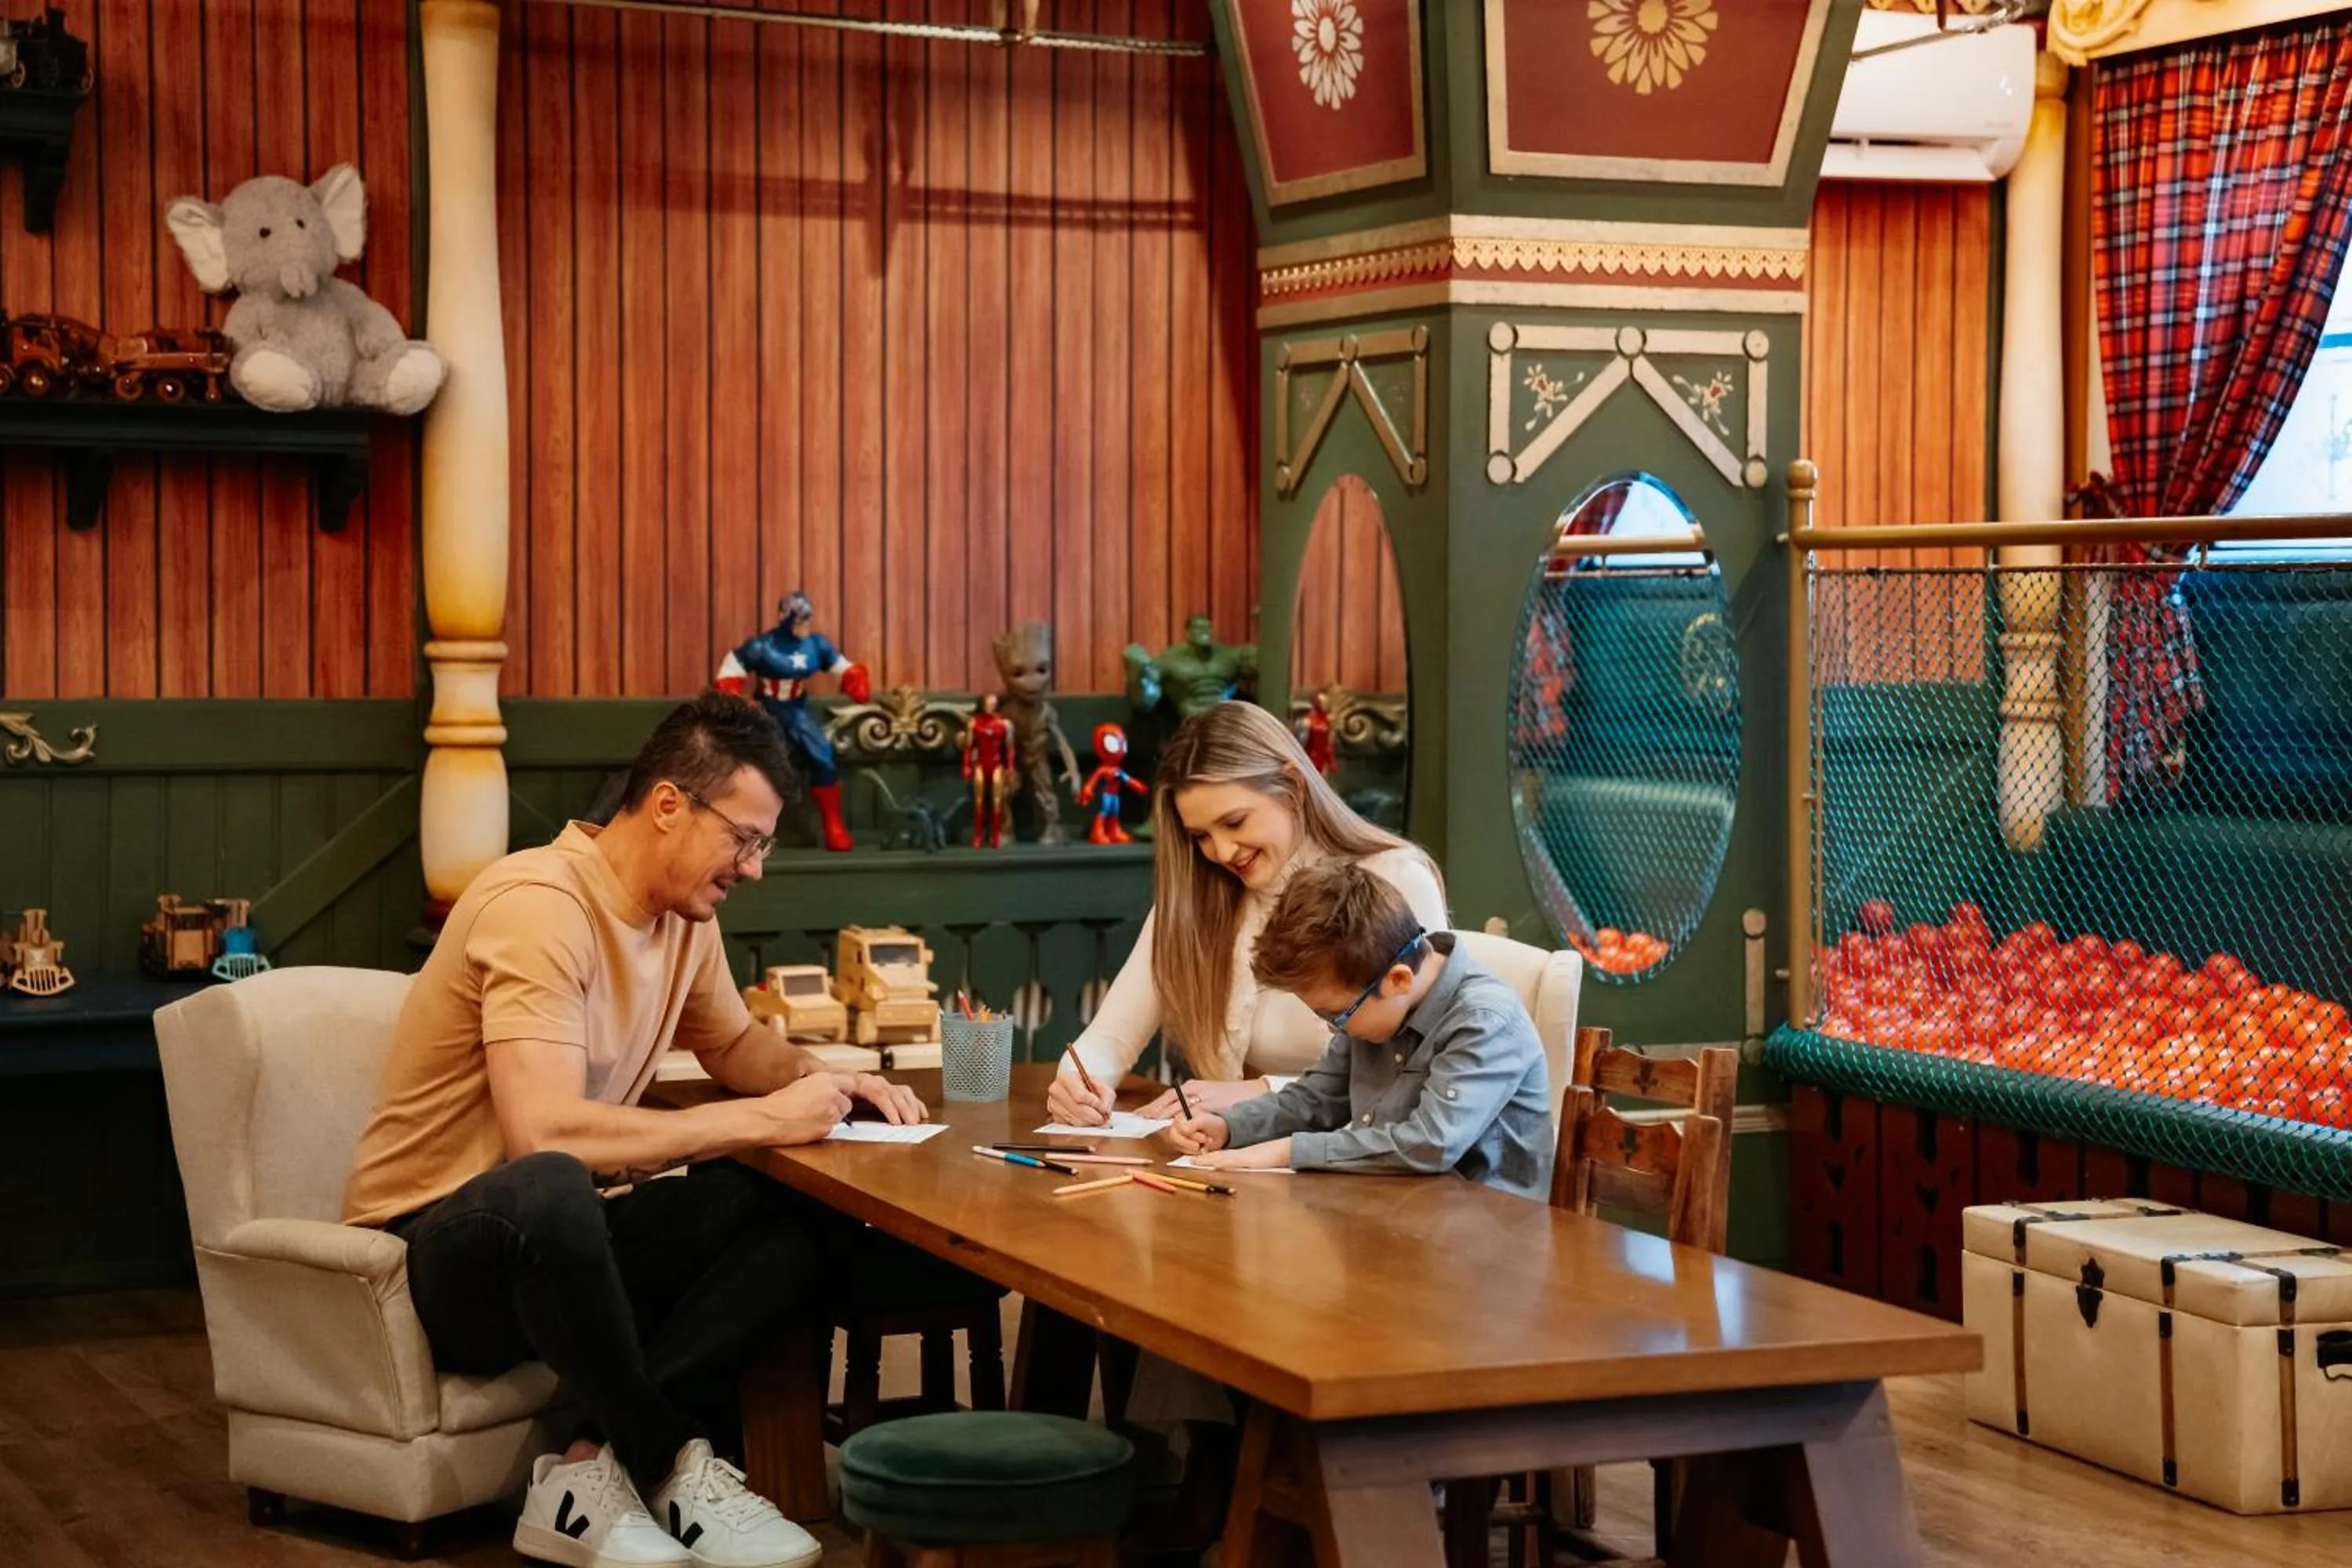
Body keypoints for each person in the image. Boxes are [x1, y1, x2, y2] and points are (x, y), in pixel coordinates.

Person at [343, 694, 933, 1568]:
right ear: (668, 805)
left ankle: (590, 1462)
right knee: (551, 1182)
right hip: (439, 1246)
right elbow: (539, 1133)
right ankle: (668, 1453)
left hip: (565, 1236)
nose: (756, 867)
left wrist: (828, 1079)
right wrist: (763, 1118)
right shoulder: (541, 903)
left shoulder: (681, 915)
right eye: (747, 838)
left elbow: (732, 1042)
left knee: (795, 1213)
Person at [1044, 700, 1449, 1130]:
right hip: (1228, 1161)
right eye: (1201, 836)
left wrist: (1262, 1092)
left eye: (1235, 822)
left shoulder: (1396, 879)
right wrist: (1075, 1085)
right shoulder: (1194, 902)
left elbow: (1422, 1071)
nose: (1221, 852)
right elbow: (1107, 1042)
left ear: (1292, 786)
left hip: (1361, 1166)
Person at [1169, 860, 1553, 1200]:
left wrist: (1287, 1151)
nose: (1332, 1027)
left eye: (1336, 1014)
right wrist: (1229, 1127)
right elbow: (1315, 1099)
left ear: (1398, 980)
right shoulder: (1373, 1007)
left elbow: (1430, 1143)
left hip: (1490, 1242)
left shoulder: (1484, 1019)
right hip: (1393, 1211)